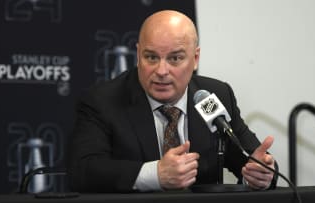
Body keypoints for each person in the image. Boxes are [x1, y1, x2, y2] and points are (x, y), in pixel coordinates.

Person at [68, 10, 278, 193]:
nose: (161, 71)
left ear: (195, 59)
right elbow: (83, 170)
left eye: (175, 58)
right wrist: (155, 174)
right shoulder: (104, 101)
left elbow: (249, 157)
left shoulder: (212, 97)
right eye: (151, 57)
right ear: (138, 54)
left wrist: (264, 173)